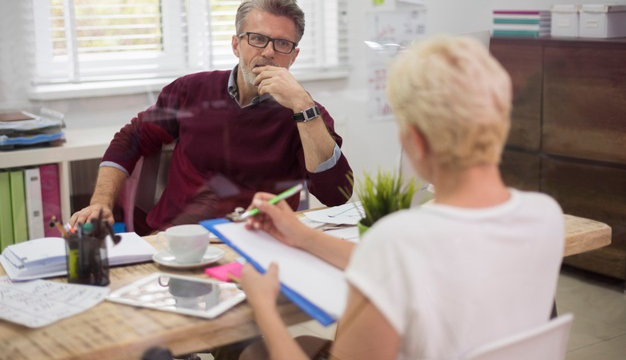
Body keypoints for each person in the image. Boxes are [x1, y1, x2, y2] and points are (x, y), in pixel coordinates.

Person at [238, 36, 565, 360]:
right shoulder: (545, 214)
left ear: (417, 141)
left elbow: (392, 259)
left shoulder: (398, 243)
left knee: (255, 352)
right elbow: (395, 262)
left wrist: (265, 307)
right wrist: (303, 236)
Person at [69, 0, 353, 233]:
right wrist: (100, 202)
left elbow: (337, 195)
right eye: (257, 39)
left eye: (282, 44)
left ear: (294, 56)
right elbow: (130, 140)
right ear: (236, 45)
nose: (268, 52)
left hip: (259, 240)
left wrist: (303, 106)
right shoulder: (190, 90)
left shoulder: (306, 113)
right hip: (178, 236)